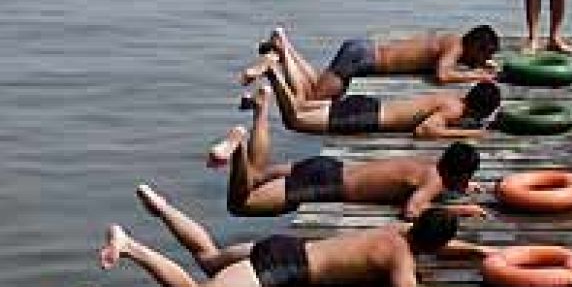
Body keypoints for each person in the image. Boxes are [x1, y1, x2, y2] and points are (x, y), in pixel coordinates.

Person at [100, 184, 499, 287]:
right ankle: (131, 246)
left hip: (287, 246)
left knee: (208, 258)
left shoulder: (401, 231)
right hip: (284, 266)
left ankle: (161, 208)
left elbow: (438, 243)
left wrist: (478, 255)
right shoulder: (401, 258)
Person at [208, 84, 488, 219]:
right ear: (455, 173)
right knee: (241, 205)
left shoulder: (429, 166)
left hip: (328, 167)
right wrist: (460, 210)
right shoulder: (434, 181)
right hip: (324, 184)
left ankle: (261, 108)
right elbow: (412, 212)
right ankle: (239, 146)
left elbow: (429, 185)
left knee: (256, 176)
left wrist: (464, 186)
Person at [238, 25, 500, 100]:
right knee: (312, 101)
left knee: (317, 85)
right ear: (474, 45)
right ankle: (275, 60)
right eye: (484, 53)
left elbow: (449, 65)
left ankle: (283, 45)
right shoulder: (454, 46)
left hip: (361, 51)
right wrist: (477, 77)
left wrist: (475, 67)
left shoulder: (452, 40)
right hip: (363, 57)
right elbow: (442, 75)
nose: (484, 59)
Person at [257, 66, 502, 138]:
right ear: (477, 108)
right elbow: (425, 130)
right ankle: (274, 75)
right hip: (366, 117)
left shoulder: (453, 98)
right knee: (294, 120)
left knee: (301, 107)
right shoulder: (454, 109)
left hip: (368, 105)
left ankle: (278, 66)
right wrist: (468, 133)